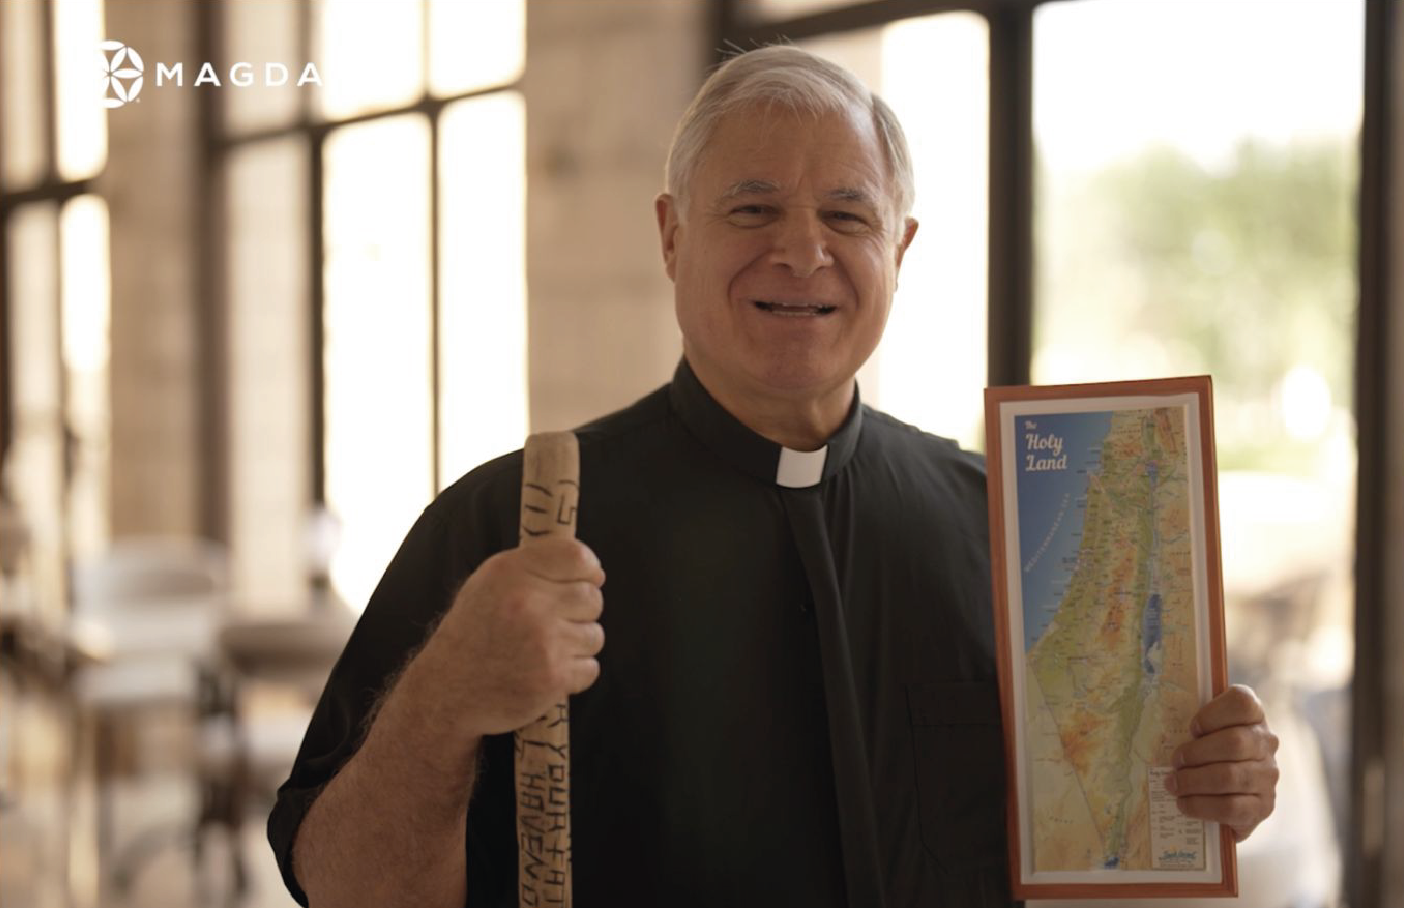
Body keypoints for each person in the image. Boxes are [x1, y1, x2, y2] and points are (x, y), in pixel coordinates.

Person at [268, 46, 1279, 908]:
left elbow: (1098, 830)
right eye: (753, 208)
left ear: (900, 247)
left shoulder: (1009, 524)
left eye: (848, 215)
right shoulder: (508, 525)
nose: (802, 251)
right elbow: (338, 883)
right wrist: (444, 696)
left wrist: (1203, 784)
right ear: (672, 235)